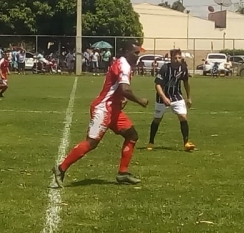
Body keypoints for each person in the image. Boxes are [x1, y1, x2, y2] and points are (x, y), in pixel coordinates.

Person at [52, 41, 149, 187]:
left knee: (132, 135)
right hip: (103, 109)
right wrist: (140, 100)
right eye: (136, 53)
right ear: (127, 52)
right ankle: (61, 168)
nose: (138, 56)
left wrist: (120, 100)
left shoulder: (122, 63)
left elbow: (117, 88)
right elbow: (124, 89)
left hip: (113, 109)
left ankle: (123, 173)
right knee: (91, 142)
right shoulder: (124, 65)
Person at [147, 49, 195, 152]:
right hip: (162, 96)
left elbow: (186, 82)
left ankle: (186, 143)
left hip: (176, 96)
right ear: (171, 58)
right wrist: (164, 98)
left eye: (179, 57)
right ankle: (151, 142)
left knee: (183, 116)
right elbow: (158, 85)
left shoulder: (183, 68)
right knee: (157, 119)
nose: (177, 60)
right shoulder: (165, 68)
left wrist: (189, 97)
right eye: (175, 58)